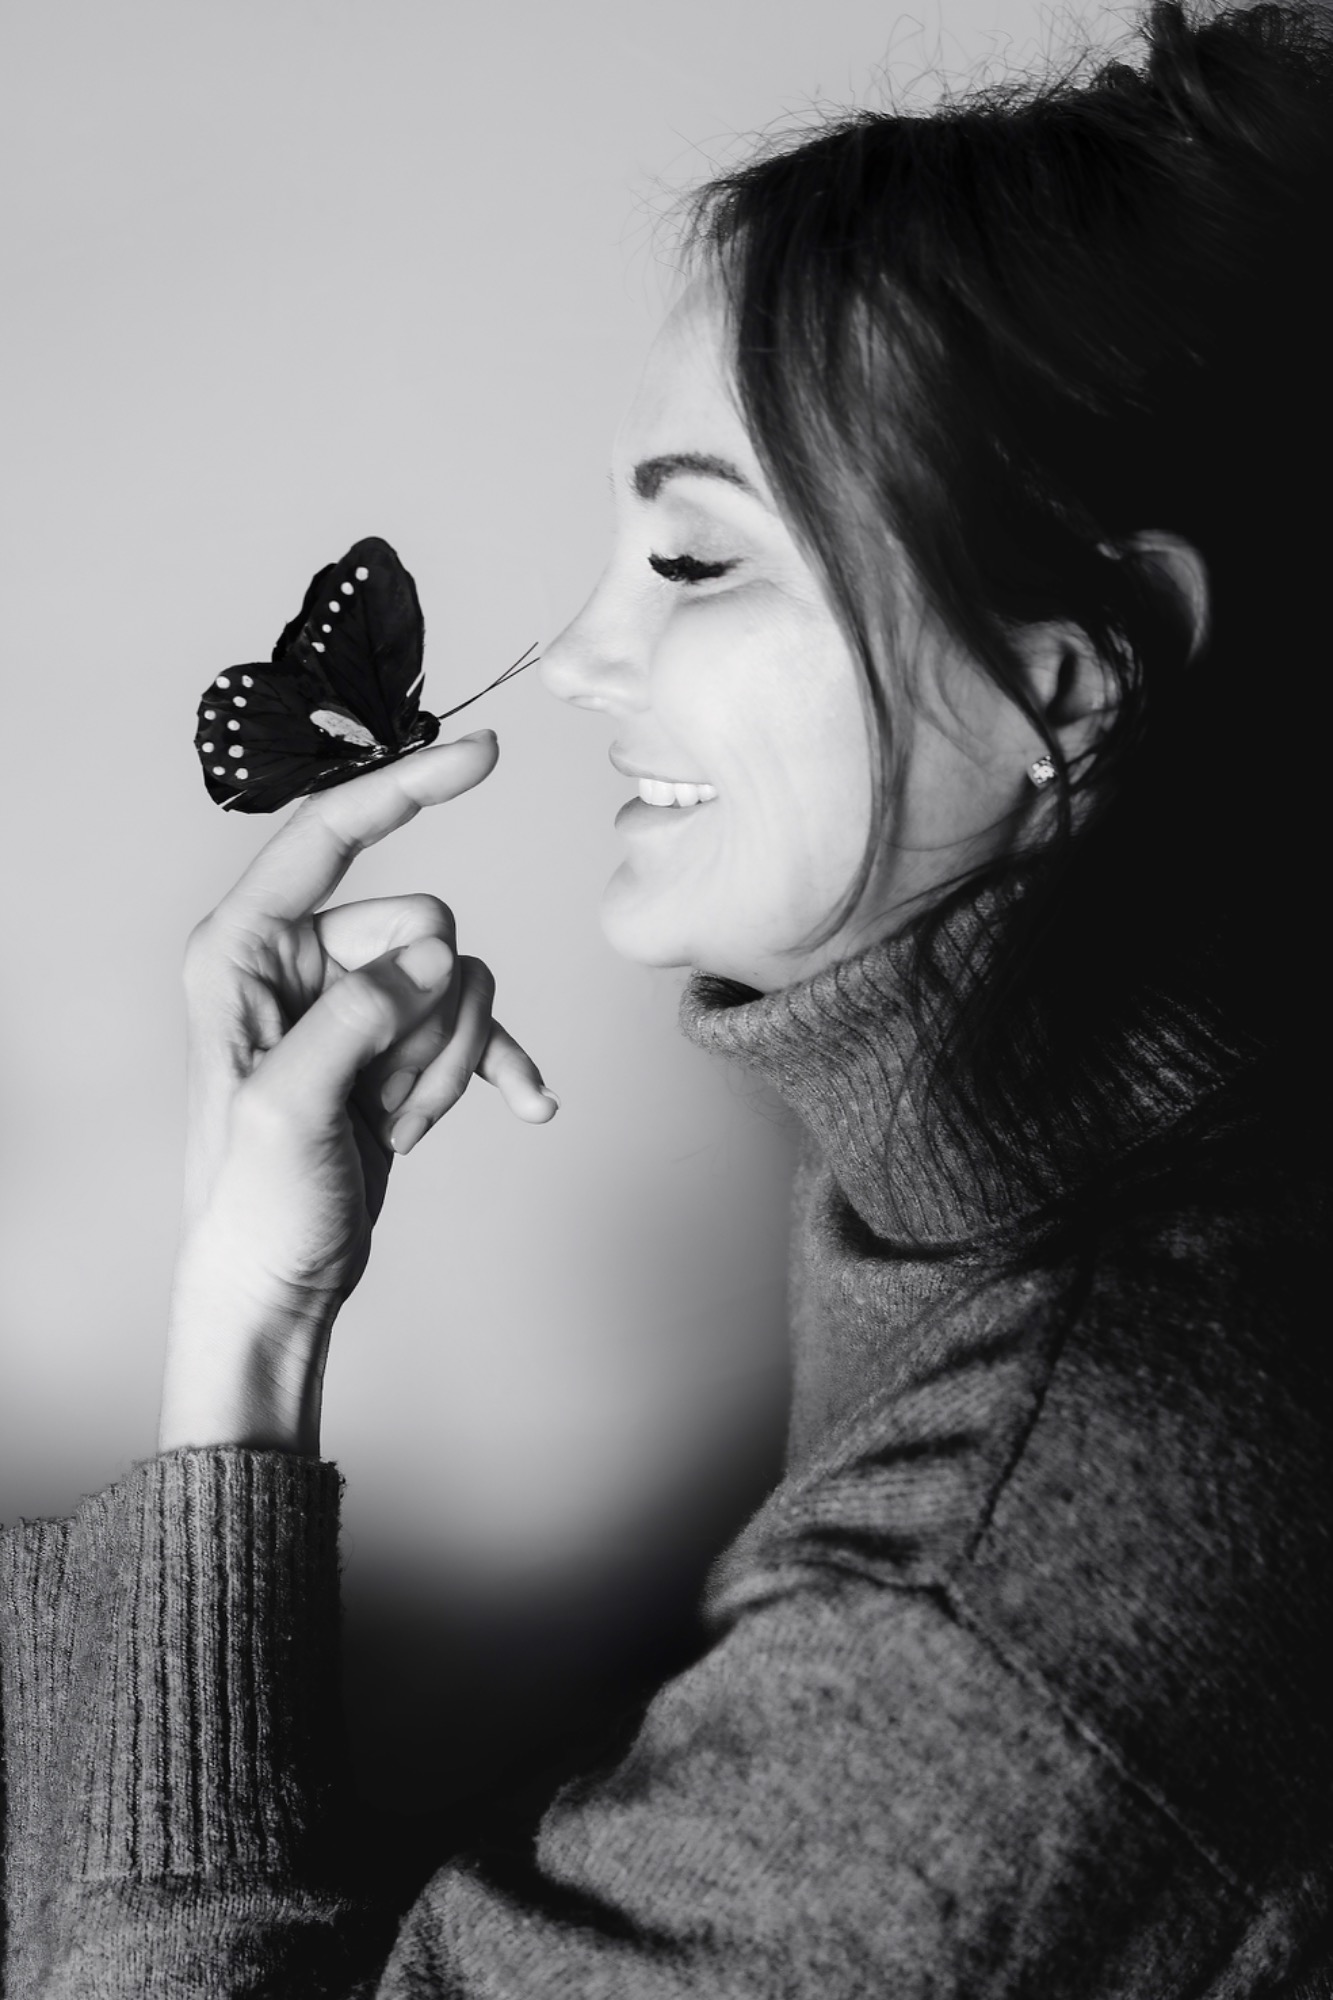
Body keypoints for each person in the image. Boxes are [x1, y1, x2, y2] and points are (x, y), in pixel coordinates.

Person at [2, 0, 1331, 1990]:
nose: (578, 659)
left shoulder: (993, 1606)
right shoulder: (1034, 1186)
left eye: (696, 561)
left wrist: (240, 1334)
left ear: (1069, 680)